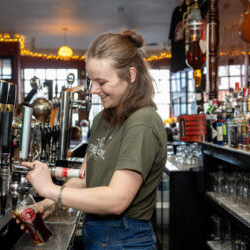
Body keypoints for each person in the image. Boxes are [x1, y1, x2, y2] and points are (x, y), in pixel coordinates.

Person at [18, 30, 167, 249]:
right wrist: (51, 202)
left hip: (126, 239)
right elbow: (86, 178)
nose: (93, 90)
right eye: (91, 81)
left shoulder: (142, 122)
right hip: (96, 233)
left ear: (131, 75)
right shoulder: (101, 119)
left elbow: (117, 200)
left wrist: (50, 190)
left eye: (102, 82)